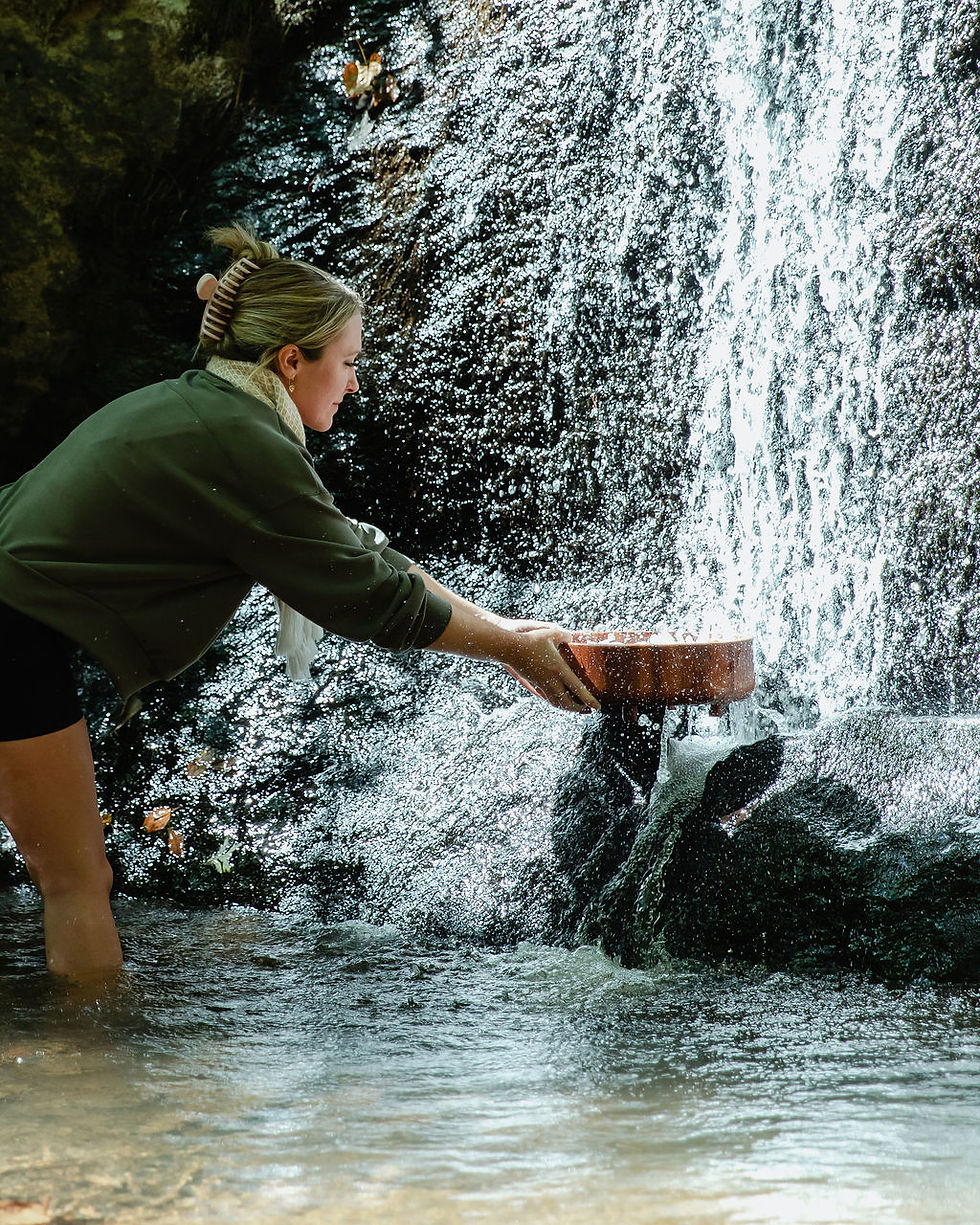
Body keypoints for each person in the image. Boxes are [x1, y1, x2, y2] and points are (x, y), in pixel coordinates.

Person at [0, 224, 599, 981]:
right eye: (346, 363)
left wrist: (505, 625)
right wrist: (509, 649)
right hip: (11, 631)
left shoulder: (210, 407)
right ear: (291, 359)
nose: (354, 383)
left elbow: (356, 549)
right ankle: (88, 1084)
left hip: (14, 618)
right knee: (76, 883)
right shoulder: (241, 442)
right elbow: (369, 593)